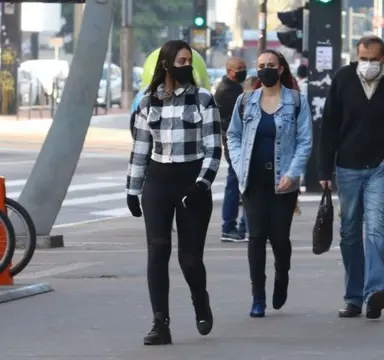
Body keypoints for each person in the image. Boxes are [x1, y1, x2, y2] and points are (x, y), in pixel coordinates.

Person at [125, 40, 222, 345]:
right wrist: (132, 189)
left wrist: (201, 184)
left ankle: (200, 300)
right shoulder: (147, 102)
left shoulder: (203, 100)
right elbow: (140, 149)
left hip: (191, 182)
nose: (186, 66)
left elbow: (214, 149)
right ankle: (160, 323)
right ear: (166, 64)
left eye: (188, 61)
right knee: (157, 251)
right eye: (180, 61)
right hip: (158, 183)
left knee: (189, 258)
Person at [318, 35, 384, 319]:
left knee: (375, 228)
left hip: (379, 168)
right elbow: (330, 125)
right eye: (363, 58)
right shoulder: (343, 78)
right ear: (356, 56)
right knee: (349, 232)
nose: (368, 64)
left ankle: (375, 292)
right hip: (347, 166)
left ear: (383, 58)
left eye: (373, 59)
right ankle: (353, 297)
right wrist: (324, 169)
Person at [226, 50, 312, 318]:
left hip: (283, 181)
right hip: (253, 179)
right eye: (261, 66)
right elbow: (234, 136)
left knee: (279, 237)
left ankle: (282, 276)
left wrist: (293, 172)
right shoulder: (245, 100)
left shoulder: (296, 101)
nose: (265, 70)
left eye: (271, 65)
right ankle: (258, 296)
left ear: (281, 69)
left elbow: (305, 141)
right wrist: (240, 165)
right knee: (256, 237)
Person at [214, 57, 248, 242]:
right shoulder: (228, 91)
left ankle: (236, 226)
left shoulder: (234, 87)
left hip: (234, 142)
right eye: (239, 68)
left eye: (244, 67)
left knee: (236, 184)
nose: (243, 71)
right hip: (235, 144)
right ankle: (229, 227)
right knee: (235, 185)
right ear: (229, 71)